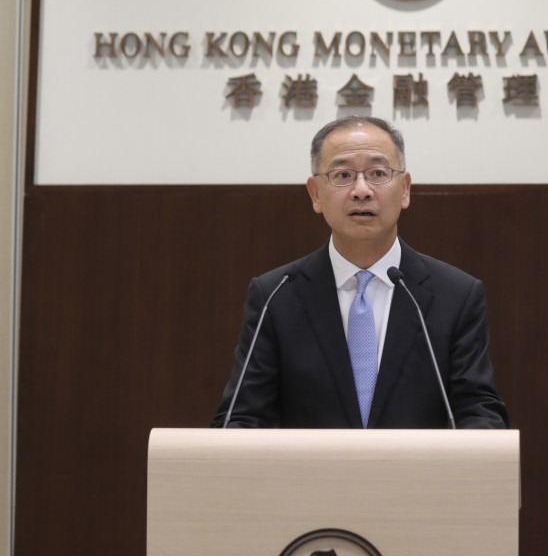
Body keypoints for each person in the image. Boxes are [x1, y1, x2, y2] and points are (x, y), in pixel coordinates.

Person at [210, 116, 508, 429]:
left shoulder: (456, 295)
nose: (361, 190)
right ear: (315, 194)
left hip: (415, 478)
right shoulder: (276, 295)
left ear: (405, 189)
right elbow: (239, 418)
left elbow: (479, 412)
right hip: (311, 478)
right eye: (343, 175)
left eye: (378, 173)